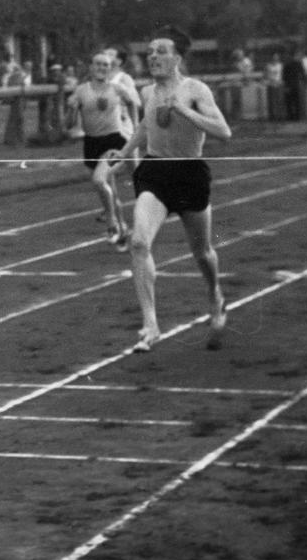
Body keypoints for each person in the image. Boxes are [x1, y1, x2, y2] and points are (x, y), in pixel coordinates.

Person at [108, 26, 233, 353]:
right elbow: (145, 126)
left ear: (177, 58)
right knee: (138, 243)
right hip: (155, 171)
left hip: (189, 173)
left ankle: (215, 296)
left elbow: (223, 131)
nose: (153, 57)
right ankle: (150, 325)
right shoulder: (147, 91)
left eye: (161, 51)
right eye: (150, 51)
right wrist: (125, 151)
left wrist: (185, 111)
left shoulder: (195, 89)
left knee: (202, 253)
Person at [70, 51, 141, 249]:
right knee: (110, 190)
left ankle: (111, 222)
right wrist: (71, 109)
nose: (101, 68)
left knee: (99, 180)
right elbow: (69, 124)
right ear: (91, 67)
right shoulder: (81, 91)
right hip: (91, 143)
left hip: (114, 141)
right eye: (98, 64)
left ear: (110, 69)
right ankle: (122, 230)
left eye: (106, 65)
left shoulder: (118, 88)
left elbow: (133, 104)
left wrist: (135, 128)